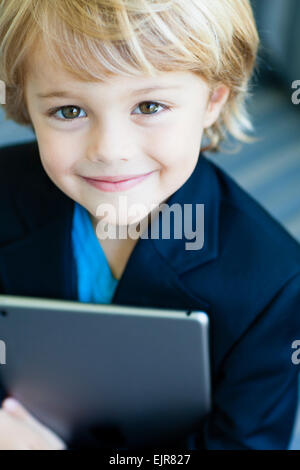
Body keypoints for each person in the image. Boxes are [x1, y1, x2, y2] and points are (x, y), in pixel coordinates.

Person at [0, 0, 300, 450]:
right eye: (69, 111)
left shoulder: (273, 282)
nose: (110, 150)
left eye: (149, 105)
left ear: (212, 101)